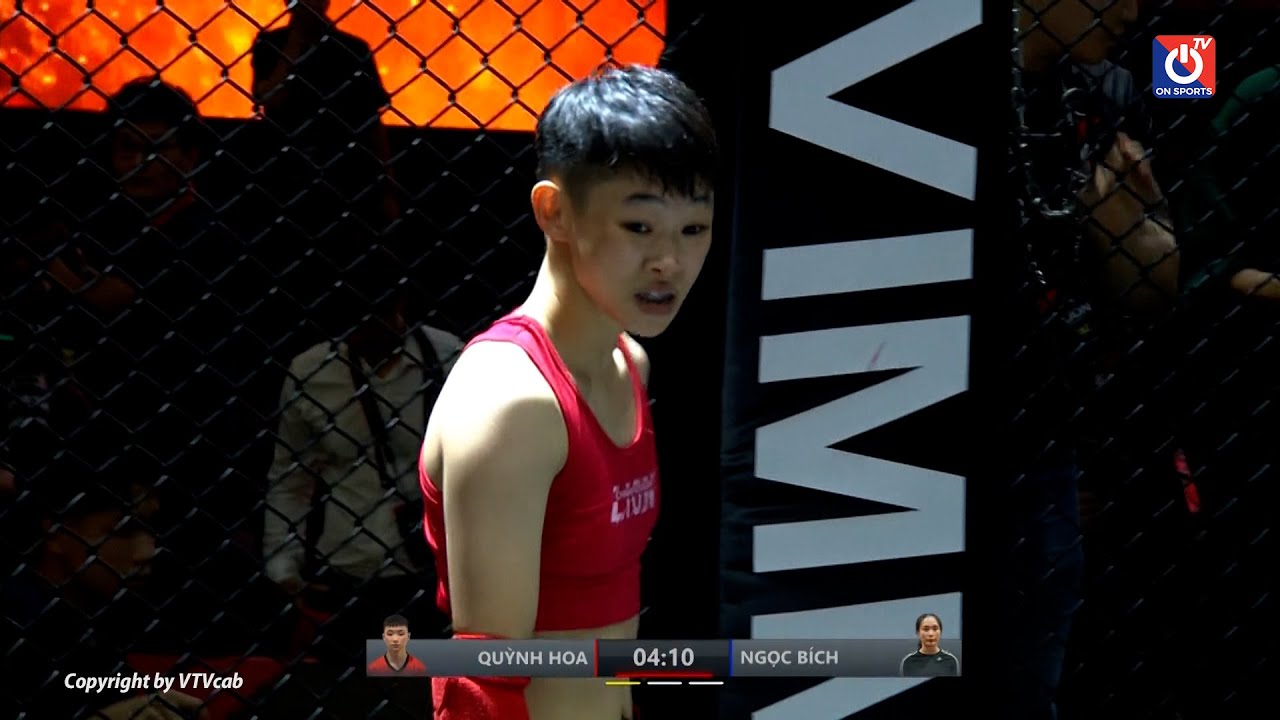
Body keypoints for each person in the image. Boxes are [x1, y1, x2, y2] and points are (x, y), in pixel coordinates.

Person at [418, 64, 717, 720]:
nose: (669, 261)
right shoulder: (514, 404)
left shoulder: (628, 363)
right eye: (639, 227)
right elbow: (480, 685)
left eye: (693, 229)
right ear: (554, 212)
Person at [1010, 1, 1180, 718]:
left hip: (1052, 420)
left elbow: (1156, 279)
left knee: (1031, 669)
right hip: (943, 415)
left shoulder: (1105, 90)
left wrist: (1117, 223)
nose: (1133, 10)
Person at [265, 256, 461, 660]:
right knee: (359, 682)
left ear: (399, 306)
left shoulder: (450, 359)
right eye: (353, 325)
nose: (362, 335)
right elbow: (290, 478)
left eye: (373, 321)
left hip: (442, 570)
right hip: (349, 571)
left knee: (436, 681)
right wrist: (283, 566)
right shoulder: (313, 373)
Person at [0, 460, 207, 719]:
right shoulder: (15, 620)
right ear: (57, 533)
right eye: (124, 530)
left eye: (151, 530)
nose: (147, 552)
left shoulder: (99, 623)